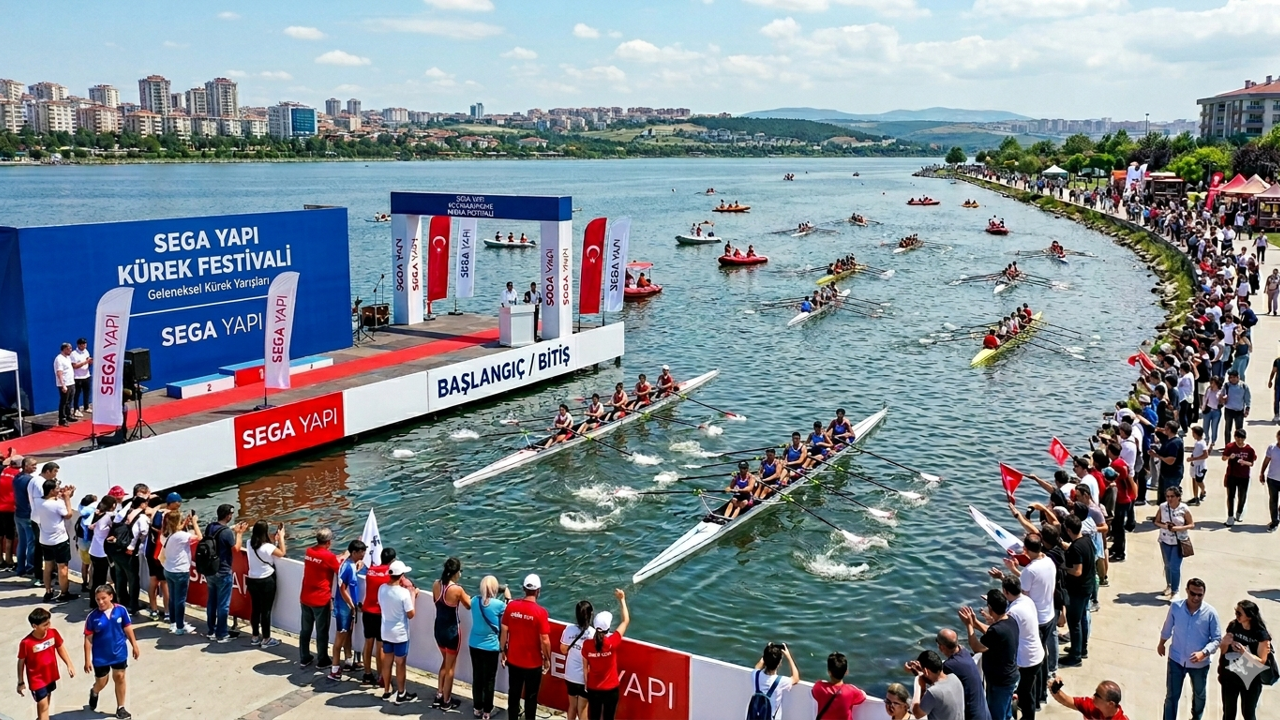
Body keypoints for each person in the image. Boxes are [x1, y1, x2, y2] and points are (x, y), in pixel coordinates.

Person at [1160, 578, 1222, 720]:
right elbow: (1168, 627)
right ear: (1187, 591)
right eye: (1192, 593)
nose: (1196, 598)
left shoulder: (1211, 613)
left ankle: (1196, 717)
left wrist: (1203, 653)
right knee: (1171, 697)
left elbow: (1217, 639)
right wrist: (1161, 643)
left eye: (1200, 595)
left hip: (1199, 664)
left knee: (1199, 695)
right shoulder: (1176, 607)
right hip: (1176, 660)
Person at [961, 590, 1021, 720]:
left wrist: (969, 625)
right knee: (1006, 713)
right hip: (1010, 677)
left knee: (996, 716)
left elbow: (976, 647)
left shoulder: (996, 631)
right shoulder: (1010, 621)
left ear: (990, 608)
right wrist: (975, 622)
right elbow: (991, 632)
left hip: (1000, 683)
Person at [83, 584, 140, 719]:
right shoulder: (92, 617)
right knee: (102, 682)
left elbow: (127, 628)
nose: (100, 602)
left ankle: (121, 708)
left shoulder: (121, 610)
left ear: (111, 596)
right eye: (98, 599)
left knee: (120, 677)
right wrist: (87, 660)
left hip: (119, 652)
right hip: (100, 656)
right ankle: (95, 691)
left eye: (103, 598)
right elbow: (88, 639)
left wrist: (134, 645)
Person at [501, 573, 552, 720]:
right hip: (533, 663)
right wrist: (547, 658)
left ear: (524, 589)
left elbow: (504, 630)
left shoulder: (511, 607)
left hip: (514, 659)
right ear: (538, 591)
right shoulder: (541, 612)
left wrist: (502, 651)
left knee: (514, 694)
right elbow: (545, 640)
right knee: (531, 697)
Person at [581, 590, 631, 720]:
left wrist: (586, 685)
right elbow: (625, 621)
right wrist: (622, 599)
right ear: (608, 628)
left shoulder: (587, 645)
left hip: (593, 688)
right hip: (611, 688)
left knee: (594, 717)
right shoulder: (612, 642)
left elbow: (585, 668)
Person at [1218, 600, 1272, 720]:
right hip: (1230, 677)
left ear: (1249, 616)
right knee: (1228, 713)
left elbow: (1261, 662)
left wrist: (1243, 652)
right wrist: (1224, 644)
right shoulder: (1233, 626)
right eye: (1236, 612)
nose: (1236, 615)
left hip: (1251, 680)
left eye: (1239, 613)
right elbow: (1223, 652)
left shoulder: (1260, 634)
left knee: (1248, 714)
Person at [17, 607, 74, 720]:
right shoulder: (26, 643)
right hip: (37, 680)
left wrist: (69, 664)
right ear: (34, 626)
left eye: (49, 623)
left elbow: (60, 647)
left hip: (50, 675)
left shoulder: (53, 633)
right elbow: (21, 662)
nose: (48, 626)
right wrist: (20, 682)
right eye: (45, 625)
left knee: (46, 704)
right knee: (43, 706)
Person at [299, 528, 345, 669]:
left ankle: (304, 657)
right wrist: (347, 556)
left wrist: (339, 556)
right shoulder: (328, 557)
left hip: (306, 596)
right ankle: (322, 659)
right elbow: (340, 570)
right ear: (329, 542)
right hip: (320, 599)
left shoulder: (309, 551)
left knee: (305, 630)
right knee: (322, 631)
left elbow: (326, 560)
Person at [431, 556, 471, 710]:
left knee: (445, 662)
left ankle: (439, 695)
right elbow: (468, 605)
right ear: (456, 572)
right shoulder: (457, 589)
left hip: (438, 630)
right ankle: (446, 701)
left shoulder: (436, 584)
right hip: (452, 632)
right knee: (450, 668)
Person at [379, 559, 420, 705]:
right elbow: (411, 614)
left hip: (386, 631)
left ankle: (386, 691)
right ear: (401, 575)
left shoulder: (382, 588)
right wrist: (413, 595)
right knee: (400, 663)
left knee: (387, 661)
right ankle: (401, 693)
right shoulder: (404, 593)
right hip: (400, 634)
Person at [470, 575, 510, 720]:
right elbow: (509, 605)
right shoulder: (499, 605)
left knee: (477, 677)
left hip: (474, 644)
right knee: (489, 679)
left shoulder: (474, 601)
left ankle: (477, 708)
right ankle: (487, 711)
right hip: (491, 647)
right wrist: (505, 590)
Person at [203, 504, 242, 643]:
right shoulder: (226, 533)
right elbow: (236, 549)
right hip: (223, 571)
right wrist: (239, 533)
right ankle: (222, 634)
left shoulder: (210, 527)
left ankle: (211, 630)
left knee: (212, 602)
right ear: (228, 516)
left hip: (210, 570)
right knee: (223, 605)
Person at [1060, 514, 1094, 668]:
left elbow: (1077, 571)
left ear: (1068, 530)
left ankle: (1075, 656)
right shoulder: (1086, 540)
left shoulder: (1076, 548)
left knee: (1074, 622)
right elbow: (1080, 553)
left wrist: (1063, 568)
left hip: (1078, 590)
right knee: (1082, 619)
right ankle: (1081, 648)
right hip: (1088, 586)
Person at [932, 628, 990, 720]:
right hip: (984, 713)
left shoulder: (949, 666)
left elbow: (934, 684)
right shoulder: (964, 652)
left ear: (941, 647)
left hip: (971, 716)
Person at [242, 520, 284, 647]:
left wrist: (274, 542)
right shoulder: (267, 547)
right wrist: (281, 538)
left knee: (255, 609)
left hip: (252, 579)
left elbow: (265, 552)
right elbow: (282, 553)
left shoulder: (249, 543)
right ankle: (266, 639)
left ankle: (255, 636)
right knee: (266, 611)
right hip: (266, 580)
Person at [159, 509, 201, 635]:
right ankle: (180, 626)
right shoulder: (182, 536)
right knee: (180, 600)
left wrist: (184, 524)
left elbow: (178, 532)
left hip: (169, 569)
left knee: (173, 598)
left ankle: (173, 623)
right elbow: (200, 537)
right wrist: (195, 523)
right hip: (180, 571)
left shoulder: (168, 535)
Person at [34, 477, 76, 602]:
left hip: (44, 539)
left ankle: (48, 591)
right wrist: (67, 498)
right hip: (59, 540)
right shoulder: (57, 504)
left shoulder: (38, 502)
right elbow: (68, 515)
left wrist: (62, 497)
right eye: (57, 489)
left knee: (48, 566)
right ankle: (64, 593)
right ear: (52, 490)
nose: (59, 490)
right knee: (62, 567)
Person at [331, 540, 367, 680]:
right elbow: (343, 589)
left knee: (348, 633)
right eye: (361, 552)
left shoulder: (348, 564)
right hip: (344, 608)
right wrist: (352, 605)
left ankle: (348, 661)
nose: (363, 554)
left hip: (345, 606)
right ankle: (334, 669)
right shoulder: (349, 567)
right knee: (340, 637)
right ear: (354, 552)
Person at [362, 548, 395, 688]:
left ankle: (367, 674)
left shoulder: (370, 570)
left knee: (368, 643)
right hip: (380, 613)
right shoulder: (390, 574)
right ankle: (381, 676)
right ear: (392, 560)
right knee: (380, 646)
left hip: (367, 611)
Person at [561, 600, 595, 720]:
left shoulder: (569, 629)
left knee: (572, 707)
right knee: (583, 709)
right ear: (590, 615)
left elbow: (563, 650)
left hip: (570, 675)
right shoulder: (593, 634)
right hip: (584, 678)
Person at [908, 649, 964, 720]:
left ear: (926, 671)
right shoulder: (955, 678)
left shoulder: (933, 692)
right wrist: (922, 673)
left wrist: (919, 683)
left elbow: (916, 713)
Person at [748, 641, 798, 720]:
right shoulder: (780, 681)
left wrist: (767, 652)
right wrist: (789, 656)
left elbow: (757, 667)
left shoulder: (755, 675)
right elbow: (796, 678)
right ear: (779, 663)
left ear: (764, 659)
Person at [811, 652, 867, 720]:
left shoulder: (819, 687)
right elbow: (863, 696)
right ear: (846, 672)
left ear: (829, 672)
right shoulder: (850, 691)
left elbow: (814, 692)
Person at [1048, 676, 1128, 720]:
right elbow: (1066, 701)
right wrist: (1055, 688)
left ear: (1110, 704)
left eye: (1097, 695)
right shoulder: (1092, 706)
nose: (1093, 696)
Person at [1223, 428, 1255, 526]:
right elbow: (1223, 458)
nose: (1239, 441)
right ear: (1235, 437)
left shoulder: (1249, 449)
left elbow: (1251, 463)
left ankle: (1239, 512)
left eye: (1242, 438)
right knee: (1230, 496)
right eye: (1238, 438)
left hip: (1244, 476)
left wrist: (1244, 462)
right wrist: (1229, 457)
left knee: (1242, 496)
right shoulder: (1230, 446)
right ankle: (1230, 516)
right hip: (1231, 475)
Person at [1220, 369, 1250, 445]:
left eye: (1234, 377)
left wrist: (1247, 409)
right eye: (1230, 377)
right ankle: (1227, 445)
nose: (1232, 379)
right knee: (1227, 429)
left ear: (1238, 377)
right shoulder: (1226, 385)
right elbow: (1221, 395)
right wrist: (1223, 398)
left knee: (1239, 430)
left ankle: (1239, 445)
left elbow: (1247, 398)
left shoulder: (1243, 386)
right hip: (1229, 410)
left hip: (1239, 411)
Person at [70, 338, 92, 417]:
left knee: (87, 393)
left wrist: (90, 362)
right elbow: (74, 366)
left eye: (85, 344)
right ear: (79, 345)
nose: (85, 346)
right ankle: (76, 409)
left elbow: (88, 362)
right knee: (77, 394)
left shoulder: (86, 351)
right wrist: (85, 362)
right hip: (77, 377)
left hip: (86, 376)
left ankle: (86, 407)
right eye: (83, 344)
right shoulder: (73, 354)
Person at [54, 342, 75, 426]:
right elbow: (59, 372)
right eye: (69, 349)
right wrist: (63, 385)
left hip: (71, 382)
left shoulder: (68, 358)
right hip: (65, 384)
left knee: (69, 401)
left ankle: (68, 415)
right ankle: (62, 419)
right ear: (64, 349)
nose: (71, 350)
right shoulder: (59, 359)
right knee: (64, 402)